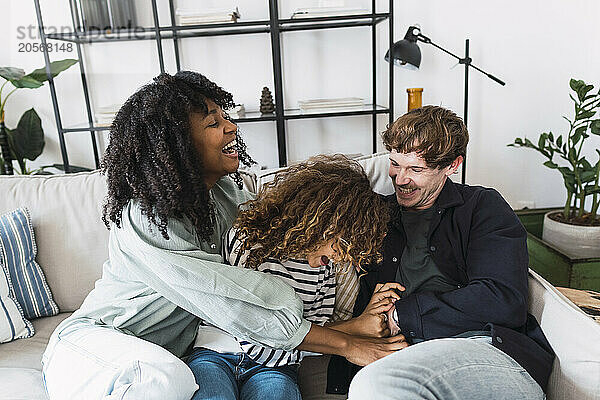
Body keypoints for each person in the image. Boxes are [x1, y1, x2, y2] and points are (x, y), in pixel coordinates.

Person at [41, 71, 404, 400]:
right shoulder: (146, 216)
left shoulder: (228, 195)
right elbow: (236, 302)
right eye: (213, 123)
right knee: (167, 381)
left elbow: (294, 228)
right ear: (177, 144)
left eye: (225, 116)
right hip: (100, 346)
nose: (231, 127)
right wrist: (347, 342)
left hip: (167, 358)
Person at [327, 105, 555, 399]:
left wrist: (401, 314)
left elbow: (502, 299)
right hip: (396, 354)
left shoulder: (482, 208)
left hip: (480, 347)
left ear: (452, 165)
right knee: (373, 385)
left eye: (416, 169)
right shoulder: (376, 215)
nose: (399, 179)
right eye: (395, 164)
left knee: (376, 386)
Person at [187, 154, 402, 400]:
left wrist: (356, 327)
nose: (342, 256)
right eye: (342, 241)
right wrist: (353, 334)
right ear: (320, 222)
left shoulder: (326, 267)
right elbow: (259, 339)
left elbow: (310, 335)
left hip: (275, 370)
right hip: (215, 354)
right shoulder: (248, 240)